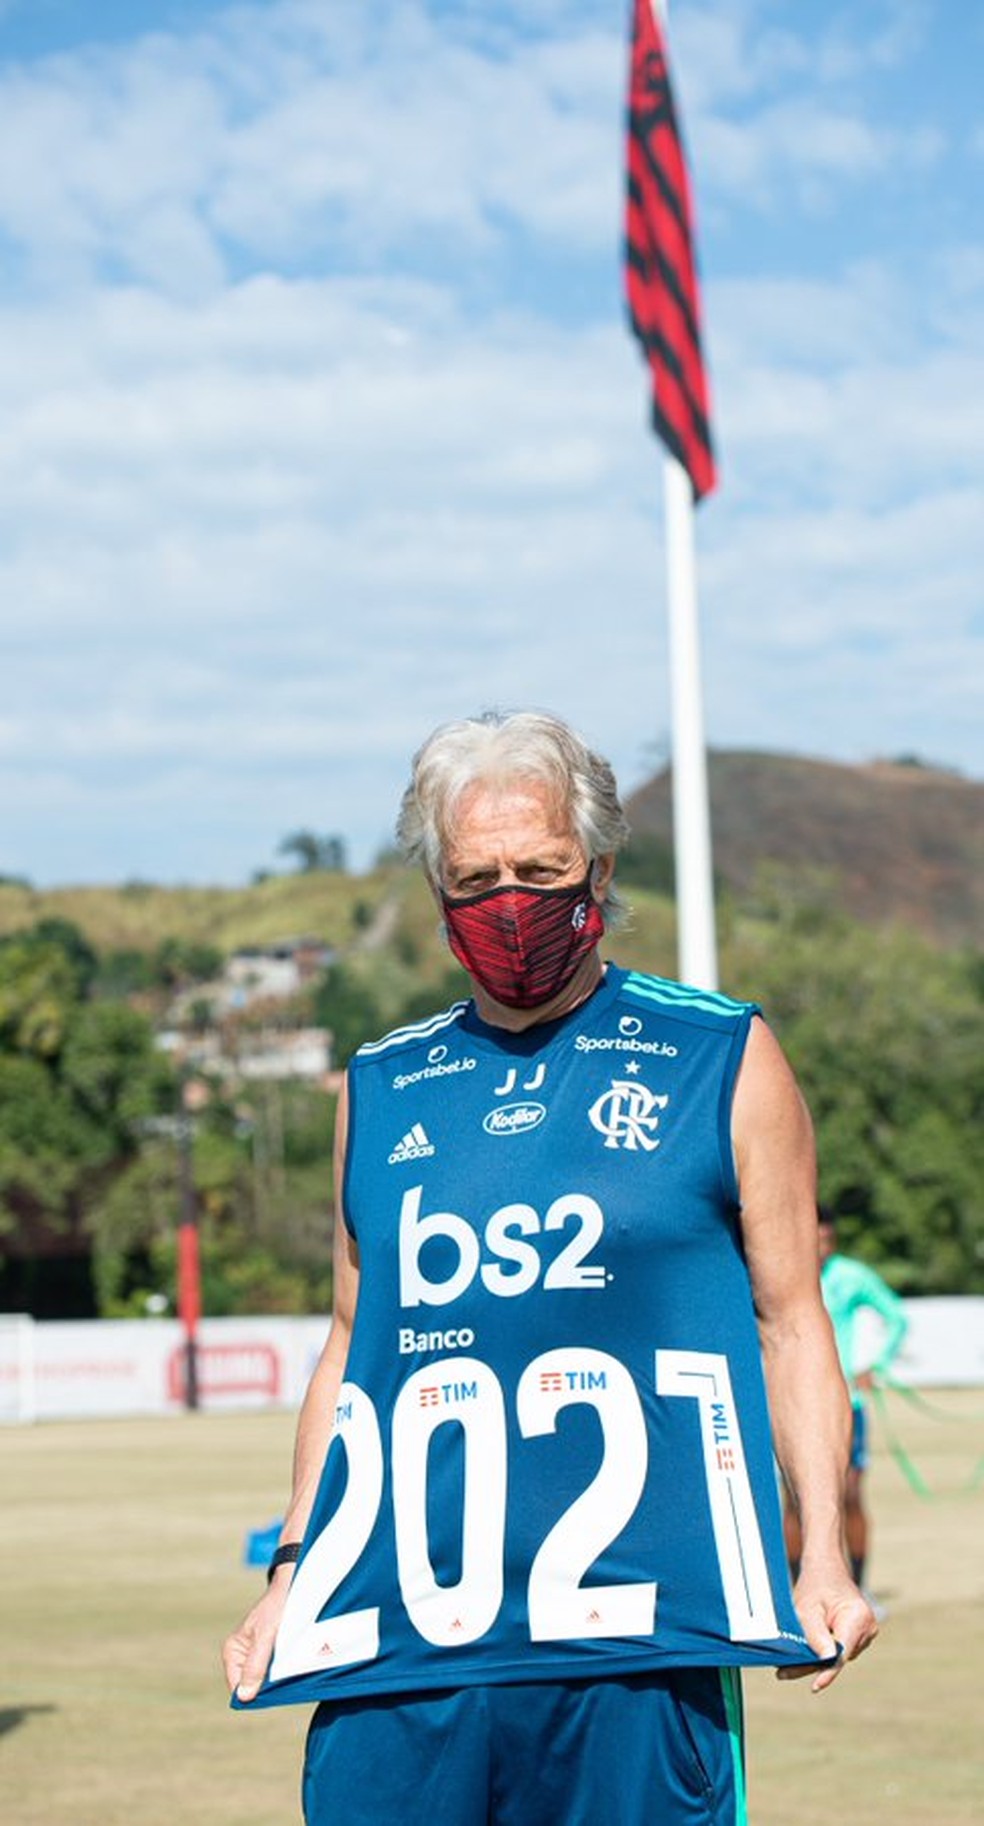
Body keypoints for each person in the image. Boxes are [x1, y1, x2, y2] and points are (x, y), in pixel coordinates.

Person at [223, 709, 877, 1826]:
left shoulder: (718, 1054)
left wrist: (823, 1554)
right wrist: (291, 1567)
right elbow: (350, 1348)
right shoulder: (378, 1089)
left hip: (638, 1643)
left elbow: (789, 1319)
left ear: (600, 869)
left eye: (541, 868)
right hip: (401, 1643)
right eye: (476, 877)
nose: (509, 900)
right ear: (439, 894)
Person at [784, 1205, 909, 1597]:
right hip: (797, 1404)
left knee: (850, 1495)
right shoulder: (781, 1273)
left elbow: (897, 1316)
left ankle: (859, 1586)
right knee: (795, 1500)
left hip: (846, 1403)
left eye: (826, 1239)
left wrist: (877, 1364)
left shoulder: (851, 1277)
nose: (819, 1247)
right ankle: (797, 1590)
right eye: (812, 1238)